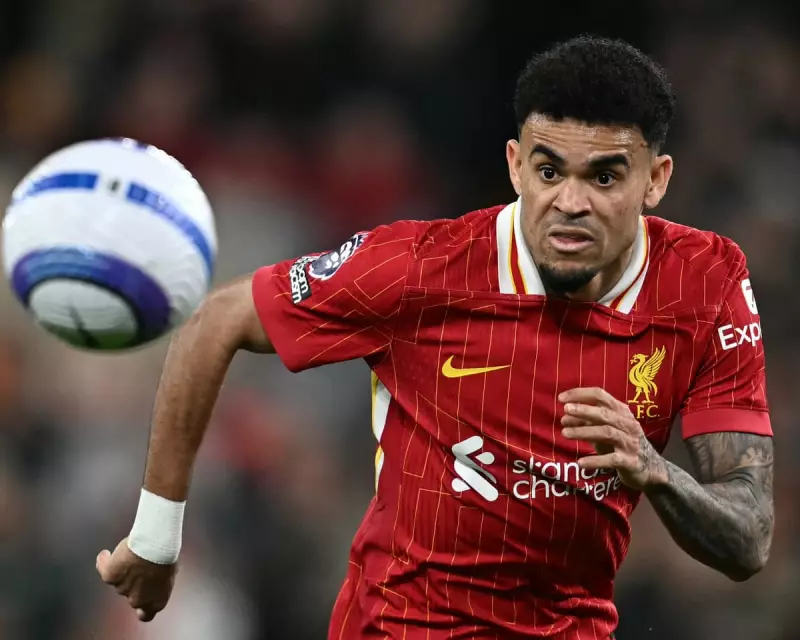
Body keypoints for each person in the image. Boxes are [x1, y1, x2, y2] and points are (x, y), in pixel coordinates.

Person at [96, 36, 774, 639]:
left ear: (655, 180)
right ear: (515, 166)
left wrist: (658, 473)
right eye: (548, 172)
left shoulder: (705, 283)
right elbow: (215, 320)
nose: (571, 202)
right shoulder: (424, 268)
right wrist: (156, 538)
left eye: (604, 177)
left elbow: (748, 539)